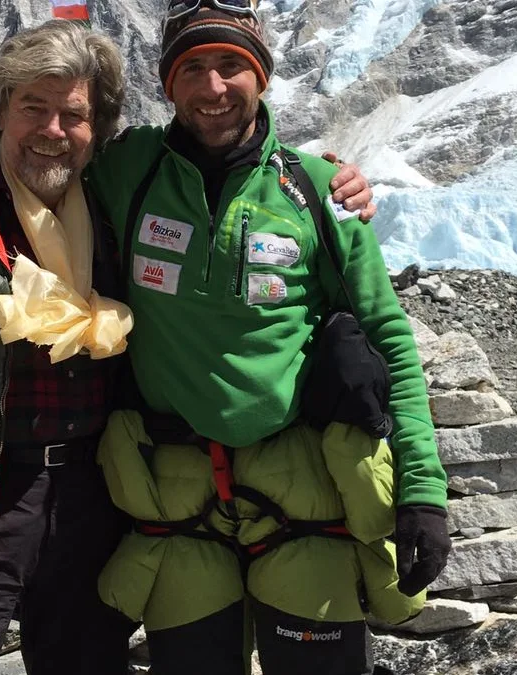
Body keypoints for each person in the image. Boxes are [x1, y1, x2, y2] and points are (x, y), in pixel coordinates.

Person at [0, 15, 376, 675]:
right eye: (34, 106)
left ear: (100, 129)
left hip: (92, 501)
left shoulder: (110, 202)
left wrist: (337, 180)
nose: (54, 130)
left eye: (75, 115)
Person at [86, 2, 452, 674]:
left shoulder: (317, 192)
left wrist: (423, 491)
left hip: (304, 498)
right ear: (168, 83)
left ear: (262, 75)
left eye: (232, 65)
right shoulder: (127, 170)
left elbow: (388, 340)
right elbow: (30, 148)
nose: (213, 87)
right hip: (179, 498)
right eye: (192, 67)